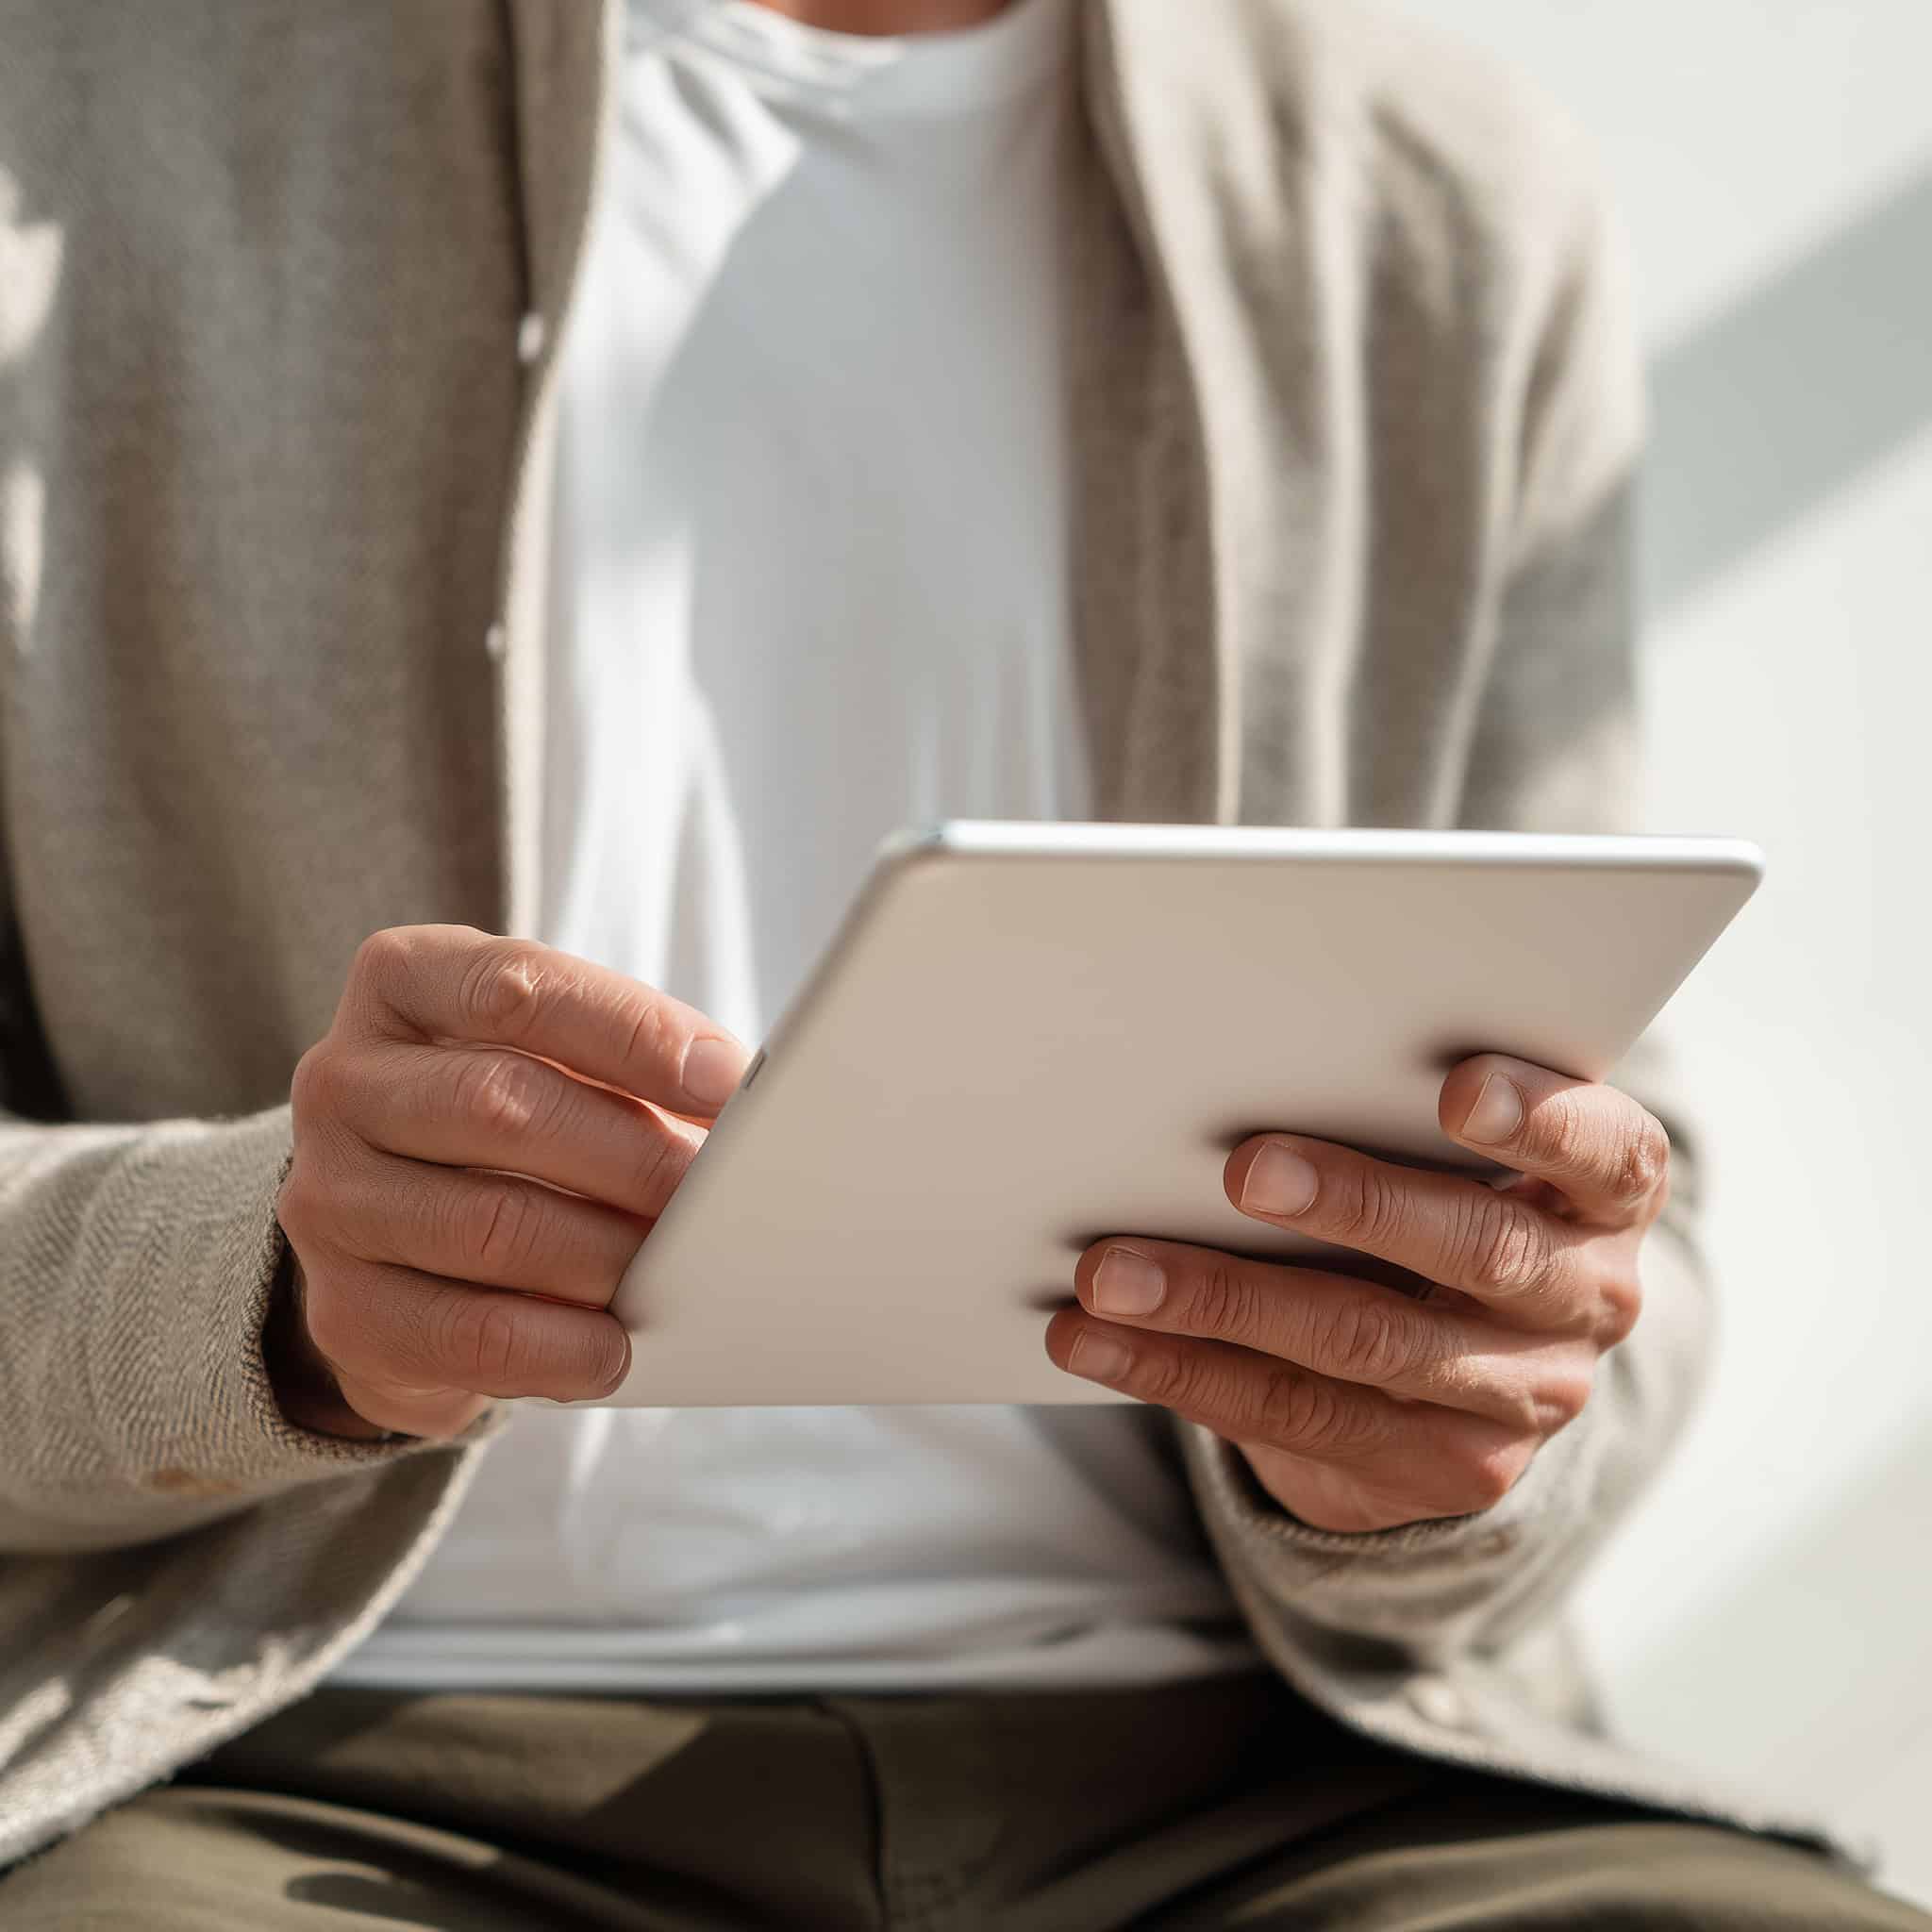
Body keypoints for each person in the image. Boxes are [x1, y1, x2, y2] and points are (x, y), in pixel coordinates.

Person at [0, 0, 1920, 1924]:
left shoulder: (1442, 203)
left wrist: (1453, 1426)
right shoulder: (73, 126)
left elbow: (1619, 1213)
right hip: (284, 1764)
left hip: (1282, 1779)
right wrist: (254, 1288)